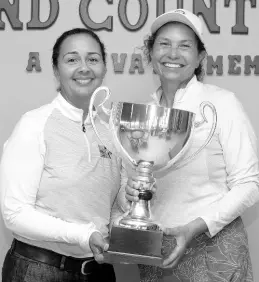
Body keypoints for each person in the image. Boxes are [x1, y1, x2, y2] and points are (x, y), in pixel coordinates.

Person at [119, 9, 259, 281]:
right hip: (157, 252)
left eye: (184, 46)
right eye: (164, 44)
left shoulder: (222, 103)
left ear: (200, 58)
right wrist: (130, 191)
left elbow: (250, 183)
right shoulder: (144, 115)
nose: (173, 53)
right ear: (151, 53)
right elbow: (130, 186)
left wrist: (195, 227)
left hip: (214, 249)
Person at [0, 28, 121, 282]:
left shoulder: (112, 129)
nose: (84, 67)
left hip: (98, 271)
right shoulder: (34, 124)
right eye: (72, 59)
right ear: (56, 70)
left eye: (93, 59)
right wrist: (83, 235)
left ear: (103, 68)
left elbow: (111, 208)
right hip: (39, 271)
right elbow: (15, 213)